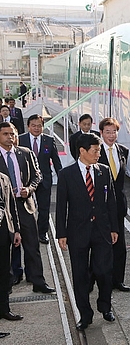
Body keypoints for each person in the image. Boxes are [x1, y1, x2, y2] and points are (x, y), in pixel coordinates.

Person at [56, 133, 118, 330]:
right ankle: (85, 314)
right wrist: (61, 233)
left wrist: (114, 228)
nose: (98, 154)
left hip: (102, 231)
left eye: (99, 150)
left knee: (104, 271)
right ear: (82, 151)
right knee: (80, 275)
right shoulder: (67, 175)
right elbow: (61, 207)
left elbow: (111, 202)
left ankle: (105, 306)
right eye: (95, 151)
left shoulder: (104, 171)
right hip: (77, 232)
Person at [0, 123, 54, 293]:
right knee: (5, 248)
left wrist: (29, 189)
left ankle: (38, 281)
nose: (9, 137)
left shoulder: (25, 153)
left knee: (32, 245)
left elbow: (38, 175)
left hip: (24, 205)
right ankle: (7, 284)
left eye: (12, 133)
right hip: (4, 210)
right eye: (5, 134)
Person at [97, 117, 130, 292]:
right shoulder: (95, 152)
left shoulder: (124, 151)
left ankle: (118, 280)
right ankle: (97, 281)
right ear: (101, 133)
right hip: (100, 207)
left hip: (118, 207)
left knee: (120, 247)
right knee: (100, 246)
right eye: (108, 132)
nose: (111, 135)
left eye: (114, 131)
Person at [19, 114, 63, 244]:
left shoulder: (49, 140)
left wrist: (62, 178)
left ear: (43, 126)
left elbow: (56, 160)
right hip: (26, 181)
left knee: (44, 208)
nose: (36, 128)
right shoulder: (21, 139)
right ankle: (26, 233)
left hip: (44, 180)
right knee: (25, 208)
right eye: (33, 125)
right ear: (28, 126)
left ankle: (42, 233)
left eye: (39, 126)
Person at [0, 164, 23, 328]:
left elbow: (11, 207)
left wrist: (16, 231)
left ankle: (4, 309)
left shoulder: (4, 178)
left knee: (4, 273)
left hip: (4, 234)